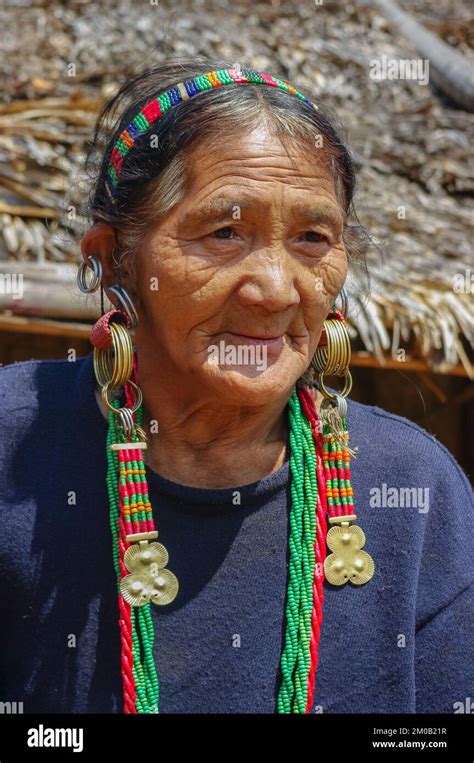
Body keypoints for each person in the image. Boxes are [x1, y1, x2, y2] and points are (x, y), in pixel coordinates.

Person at [0, 59, 472, 715]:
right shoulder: (12, 442)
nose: (275, 290)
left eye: (313, 236)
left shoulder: (420, 492)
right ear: (113, 259)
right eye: (224, 232)